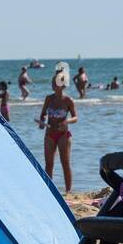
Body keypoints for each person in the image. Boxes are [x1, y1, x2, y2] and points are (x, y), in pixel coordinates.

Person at [37, 64, 78, 193]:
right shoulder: (49, 99)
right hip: (49, 134)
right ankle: (48, 191)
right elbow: (43, 114)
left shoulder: (68, 101)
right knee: (49, 164)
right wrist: (41, 122)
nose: (53, 85)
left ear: (62, 85)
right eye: (52, 82)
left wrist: (67, 121)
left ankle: (68, 192)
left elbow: (76, 117)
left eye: (55, 83)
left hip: (63, 135)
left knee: (65, 163)